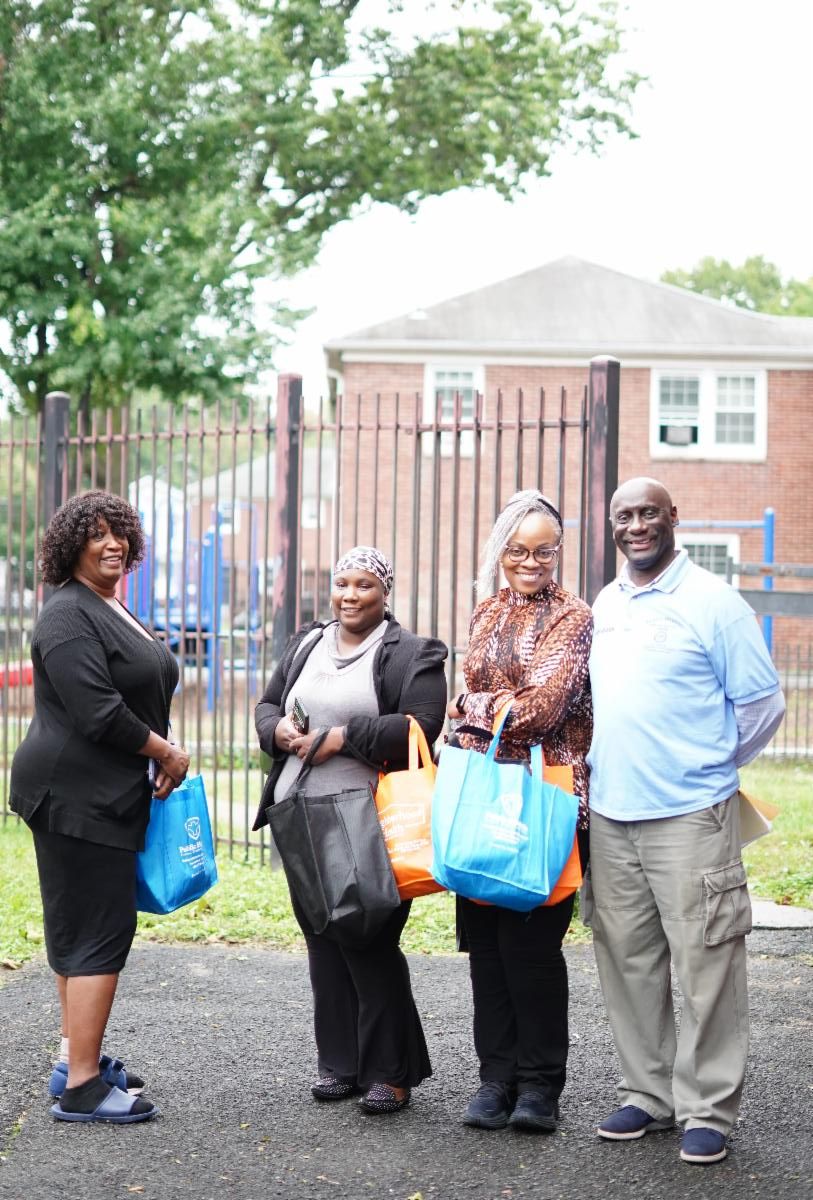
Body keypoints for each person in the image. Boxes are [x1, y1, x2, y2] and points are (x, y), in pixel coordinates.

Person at [586, 476, 785, 1166]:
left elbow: (762, 704)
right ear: (612, 525)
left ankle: (707, 1108)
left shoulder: (712, 601)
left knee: (707, 963)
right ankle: (647, 1094)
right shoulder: (607, 602)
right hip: (612, 815)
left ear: (673, 518)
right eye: (624, 516)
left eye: (649, 513)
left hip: (690, 817)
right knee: (628, 960)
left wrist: (707, 767)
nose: (636, 526)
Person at [10, 491, 189, 1124]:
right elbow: (97, 711)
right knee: (96, 931)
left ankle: (73, 1059)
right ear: (72, 546)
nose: (112, 544)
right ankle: (83, 1088)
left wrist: (158, 749)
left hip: (100, 790)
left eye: (120, 533)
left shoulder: (107, 604)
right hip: (74, 793)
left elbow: (137, 689)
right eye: (97, 534)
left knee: (78, 926)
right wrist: (165, 752)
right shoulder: (66, 614)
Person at [254, 546, 447, 1115]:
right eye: (342, 583)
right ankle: (340, 1063)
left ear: (385, 592)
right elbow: (267, 706)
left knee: (368, 939)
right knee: (323, 940)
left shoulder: (411, 653)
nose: (350, 595)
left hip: (365, 820)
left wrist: (342, 738)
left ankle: (391, 1071)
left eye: (364, 584)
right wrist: (278, 731)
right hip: (299, 816)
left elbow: (420, 724)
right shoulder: (307, 643)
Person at [446, 490, 593, 1133]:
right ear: (499, 550)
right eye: (517, 550)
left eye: (544, 551)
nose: (530, 562)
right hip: (483, 793)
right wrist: (487, 706)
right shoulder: (486, 611)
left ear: (558, 552)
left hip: (548, 795)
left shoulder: (573, 616)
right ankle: (495, 1079)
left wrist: (470, 707)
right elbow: (495, 699)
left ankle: (539, 1087)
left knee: (532, 949)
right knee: (486, 949)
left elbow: (540, 710)